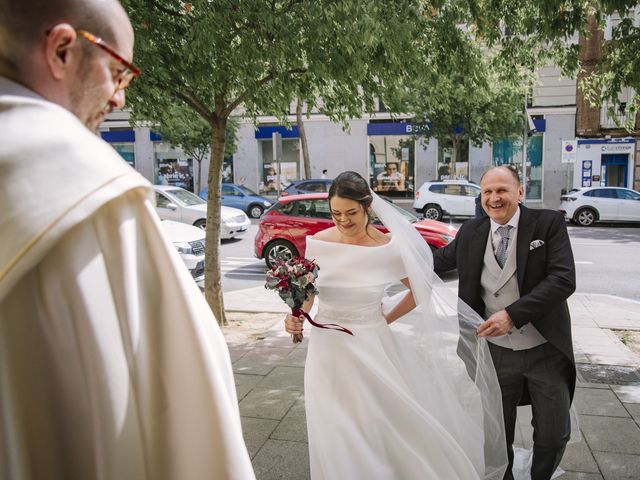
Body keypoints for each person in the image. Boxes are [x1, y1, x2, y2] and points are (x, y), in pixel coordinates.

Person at [0, 1, 255, 479]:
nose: (119, 99)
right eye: (119, 73)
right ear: (61, 50)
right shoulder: (91, 191)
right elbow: (190, 398)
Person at [285, 171, 508, 479]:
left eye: (351, 213)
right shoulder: (319, 243)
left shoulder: (387, 248)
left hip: (370, 346)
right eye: (336, 214)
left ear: (368, 208)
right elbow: (308, 291)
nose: (343, 221)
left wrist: (384, 318)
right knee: (331, 423)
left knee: (377, 423)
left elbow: (421, 289)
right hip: (326, 349)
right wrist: (296, 314)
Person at [433, 165, 576, 480]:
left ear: (520, 192)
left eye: (502, 190)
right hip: (494, 354)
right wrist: (382, 258)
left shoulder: (548, 224)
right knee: (496, 434)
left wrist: (513, 315)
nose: (494, 198)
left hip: (544, 350)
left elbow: (563, 279)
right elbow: (437, 262)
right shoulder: (472, 231)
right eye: (487, 192)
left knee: (554, 434)